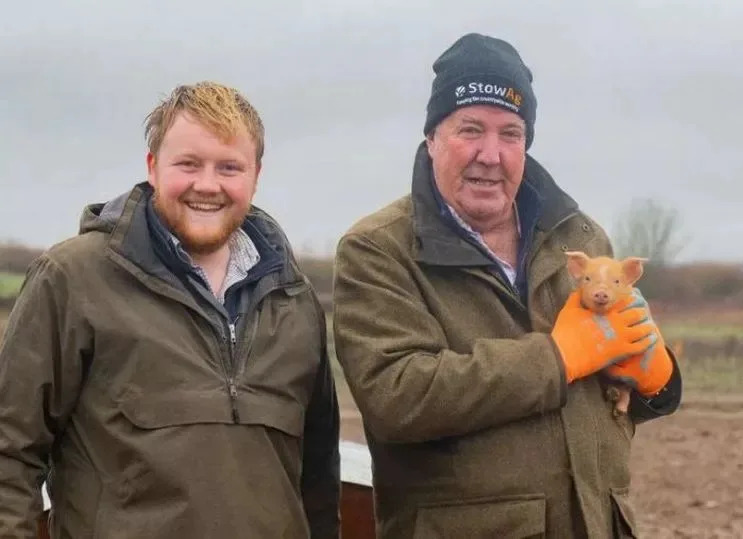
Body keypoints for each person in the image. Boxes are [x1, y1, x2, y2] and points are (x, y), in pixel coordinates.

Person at [332, 33, 682, 538]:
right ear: (432, 138)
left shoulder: (577, 236)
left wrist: (656, 380)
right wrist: (556, 359)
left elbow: (604, 387)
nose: (490, 154)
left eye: (510, 133)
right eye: (470, 129)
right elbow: (397, 396)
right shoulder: (378, 250)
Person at [0, 81, 340, 538]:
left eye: (229, 167)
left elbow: (317, 477)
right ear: (153, 167)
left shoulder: (294, 300)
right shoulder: (71, 280)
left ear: (256, 175)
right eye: (188, 164)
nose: (207, 184)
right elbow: (10, 452)